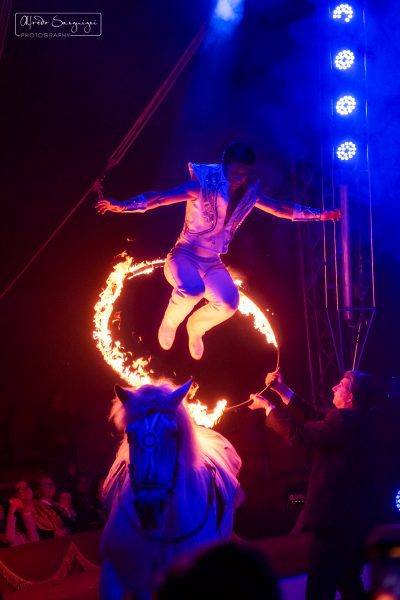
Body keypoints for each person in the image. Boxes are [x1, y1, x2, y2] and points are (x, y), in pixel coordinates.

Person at [96, 142, 340, 360]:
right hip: (184, 255)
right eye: (235, 172)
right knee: (192, 290)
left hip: (212, 261)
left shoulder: (249, 194)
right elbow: (158, 198)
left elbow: (279, 208)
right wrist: (122, 206)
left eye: (245, 174)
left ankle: (196, 328)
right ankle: (169, 323)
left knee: (229, 303)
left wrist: (319, 214)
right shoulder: (200, 185)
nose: (240, 178)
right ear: (224, 165)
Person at [249, 370, 374, 600]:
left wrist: (268, 409)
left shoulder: (343, 420)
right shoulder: (356, 419)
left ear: (350, 398)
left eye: (341, 385)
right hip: (350, 521)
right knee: (349, 583)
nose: (334, 387)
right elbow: (314, 415)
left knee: (320, 588)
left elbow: (297, 435)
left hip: (333, 522)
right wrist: (281, 390)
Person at [4, 481, 39, 546]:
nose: (21, 491)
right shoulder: (16, 515)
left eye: (25, 488)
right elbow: (10, 539)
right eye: (18, 490)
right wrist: (12, 510)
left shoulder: (41, 506)